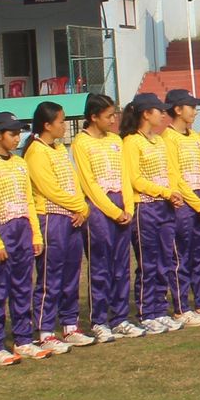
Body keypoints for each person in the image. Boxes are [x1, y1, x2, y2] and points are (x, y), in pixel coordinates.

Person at [0, 110, 47, 366]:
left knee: (22, 287)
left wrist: (35, 234)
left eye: (19, 133)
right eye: (12, 133)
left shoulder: (19, 163)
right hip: (1, 231)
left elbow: (28, 200)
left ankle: (23, 339)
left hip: (22, 231)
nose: (17, 138)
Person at [23, 100, 93, 352]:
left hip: (73, 218)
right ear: (47, 124)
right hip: (51, 219)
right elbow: (48, 188)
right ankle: (44, 329)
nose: (64, 126)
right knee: (50, 276)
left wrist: (82, 208)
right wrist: (78, 205)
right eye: (61, 122)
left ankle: (70, 325)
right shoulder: (36, 152)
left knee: (71, 274)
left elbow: (73, 180)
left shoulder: (59, 149)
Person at [71, 92, 137, 341]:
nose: (113, 120)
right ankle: (99, 321)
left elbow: (124, 176)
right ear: (93, 117)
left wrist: (128, 208)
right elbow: (89, 183)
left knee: (121, 266)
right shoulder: (81, 142)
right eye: (108, 116)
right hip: (99, 209)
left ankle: (120, 318)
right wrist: (113, 211)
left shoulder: (116, 141)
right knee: (101, 266)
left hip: (122, 206)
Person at [122, 94, 181, 334]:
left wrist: (173, 192)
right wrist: (164, 191)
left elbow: (171, 170)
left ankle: (159, 308)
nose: (163, 115)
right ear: (146, 113)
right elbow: (134, 179)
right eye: (159, 110)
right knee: (148, 262)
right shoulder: (131, 142)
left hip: (165, 207)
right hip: (145, 208)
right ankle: (147, 312)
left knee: (165, 260)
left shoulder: (159, 141)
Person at [164, 89, 200, 323]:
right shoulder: (168, 139)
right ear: (178, 109)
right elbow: (175, 176)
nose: (196, 111)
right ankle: (181, 308)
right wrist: (198, 204)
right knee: (180, 257)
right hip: (185, 205)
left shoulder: (196, 137)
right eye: (191, 107)